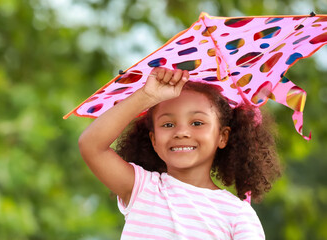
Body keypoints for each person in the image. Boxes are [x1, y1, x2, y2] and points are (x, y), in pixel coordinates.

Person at [78, 67, 281, 239]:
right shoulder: (143, 188)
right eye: (168, 124)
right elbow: (91, 145)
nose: (181, 132)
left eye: (197, 123)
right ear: (154, 140)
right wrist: (146, 97)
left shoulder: (238, 214)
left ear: (223, 136)